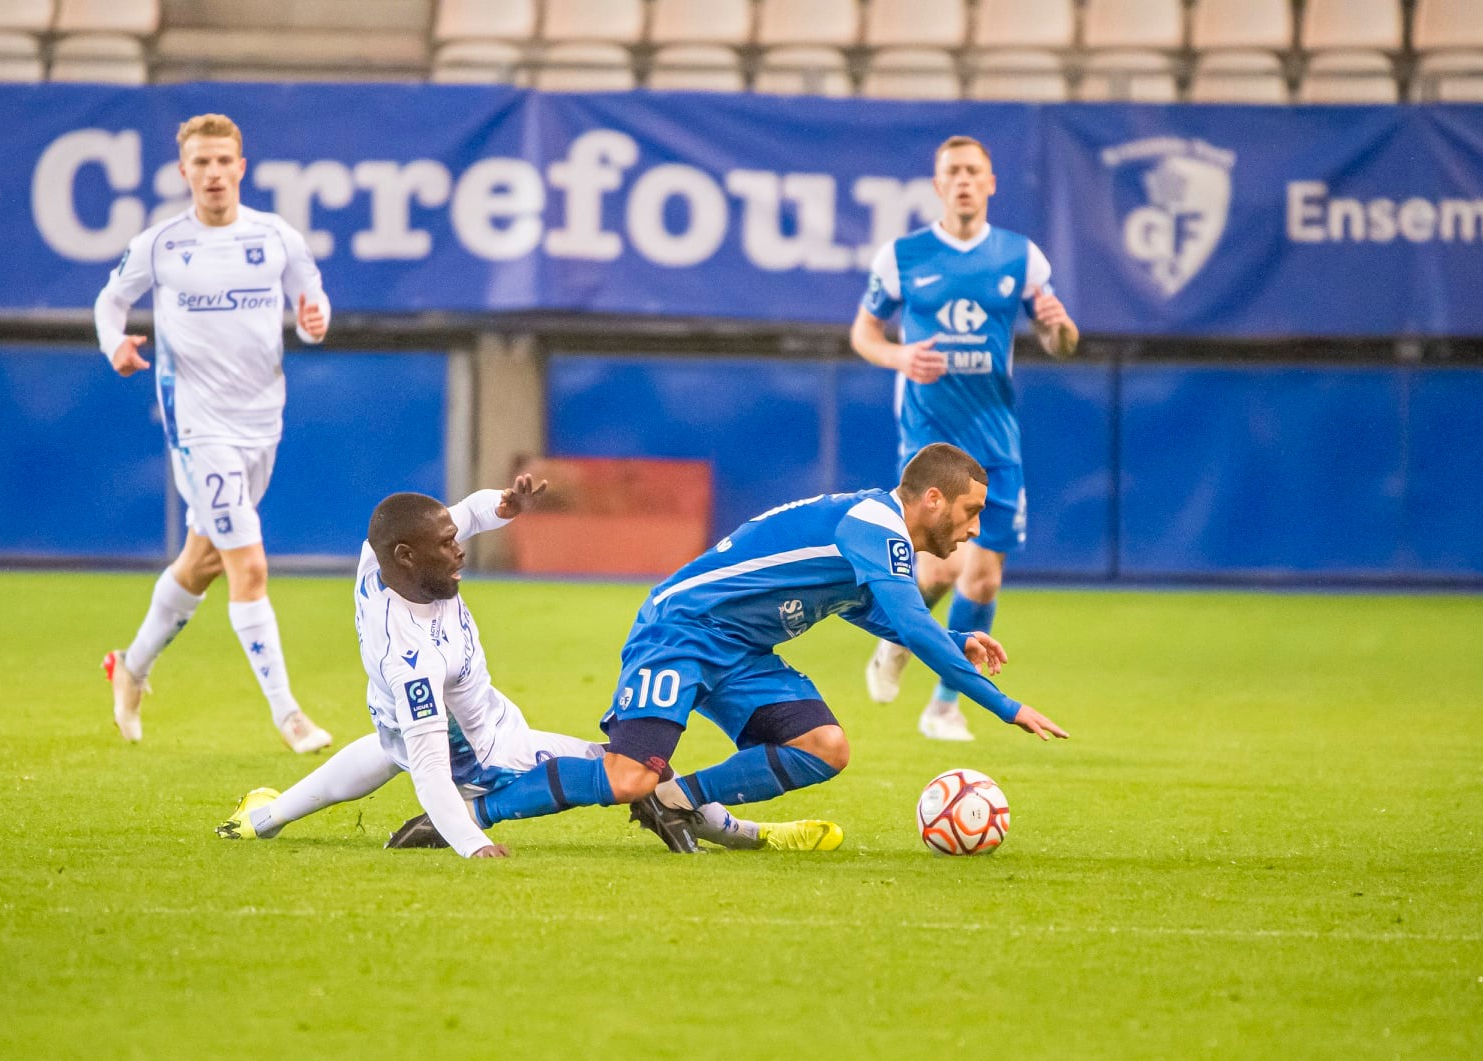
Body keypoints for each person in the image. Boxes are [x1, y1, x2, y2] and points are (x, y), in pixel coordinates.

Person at [461, 444, 1068, 840]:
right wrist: (1006, 708)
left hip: (742, 651)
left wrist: (953, 638)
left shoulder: (877, 531)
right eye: (971, 511)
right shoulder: (876, 528)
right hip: (684, 630)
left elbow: (874, 612)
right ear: (932, 498)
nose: (975, 529)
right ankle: (470, 813)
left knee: (825, 747)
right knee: (625, 776)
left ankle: (676, 802)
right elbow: (910, 627)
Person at [217, 477, 844, 858]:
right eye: (445, 547)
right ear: (406, 557)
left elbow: (464, 511)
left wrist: (506, 506)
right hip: (485, 754)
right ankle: (750, 832)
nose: (458, 548)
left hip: (406, 726)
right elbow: (431, 768)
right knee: (637, 770)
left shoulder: (381, 557)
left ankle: (263, 819)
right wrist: (470, 840)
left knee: (385, 748)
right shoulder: (411, 656)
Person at [94, 112, 334, 753]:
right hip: (198, 425)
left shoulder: (276, 236)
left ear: (242, 166)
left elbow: (313, 300)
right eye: (200, 163)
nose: (213, 173)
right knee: (247, 565)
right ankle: (289, 715)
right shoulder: (161, 243)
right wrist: (114, 342)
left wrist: (313, 322)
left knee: (201, 562)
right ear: (184, 172)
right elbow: (109, 301)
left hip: (262, 420)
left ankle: (131, 667)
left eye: (223, 161)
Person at [851, 134, 1080, 743]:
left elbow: (1062, 342)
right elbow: (864, 334)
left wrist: (1061, 332)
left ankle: (943, 706)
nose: (963, 181)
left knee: (983, 579)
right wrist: (900, 356)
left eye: (973, 171)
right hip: (928, 442)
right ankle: (897, 641)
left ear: (991, 182)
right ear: (937, 184)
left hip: (996, 444)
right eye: (952, 171)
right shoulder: (902, 257)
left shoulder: (1019, 257)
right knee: (939, 574)